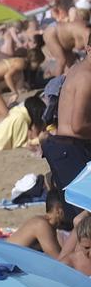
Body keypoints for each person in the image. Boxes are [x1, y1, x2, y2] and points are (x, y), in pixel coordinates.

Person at [43, 59, 91, 225]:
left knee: (77, 218)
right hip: (70, 149)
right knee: (85, 216)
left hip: (62, 147)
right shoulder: (86, 77)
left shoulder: (77, 69)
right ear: (88, 49)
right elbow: (77, 126)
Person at [7, 190, 65, 259]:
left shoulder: (46, 224)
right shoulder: (42, 225)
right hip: (5, 260)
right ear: (59, 210)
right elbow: (58, 259)